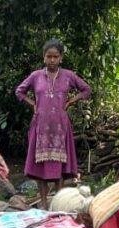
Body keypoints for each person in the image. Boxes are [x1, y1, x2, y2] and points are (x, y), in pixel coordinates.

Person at [16, 39, 92, 209]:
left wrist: (71, 101)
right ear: (44, 57)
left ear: (61, 58)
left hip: (60, 126)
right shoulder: (36, 76)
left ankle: (58, 204)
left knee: (60, 168)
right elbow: (19, 91)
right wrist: (33, 104)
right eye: (49, 56)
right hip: (41, 125)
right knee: (41, 168)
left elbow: (86, 89)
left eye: (55, 56)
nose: (52, 60)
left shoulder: (68, 76)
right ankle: (43, 204)